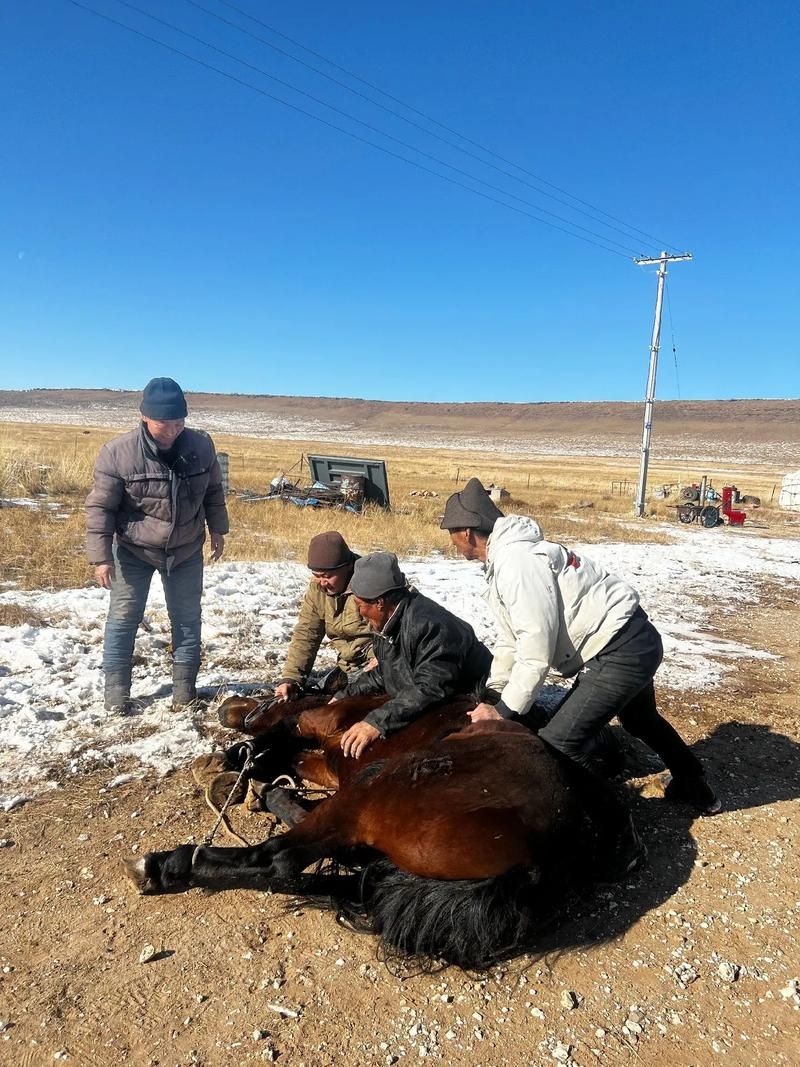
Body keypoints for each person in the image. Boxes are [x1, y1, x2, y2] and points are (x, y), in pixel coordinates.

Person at [441, 478, 721, 815]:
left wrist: (503, 712)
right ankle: (695, 784)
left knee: (560, 742)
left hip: (619, 649)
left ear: (467, 532)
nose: (452, 544)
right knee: (640, 721)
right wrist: (496, 692)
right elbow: (510, 638)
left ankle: (616, 826)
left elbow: (535, 647)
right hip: (632, 637)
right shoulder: (507, 559)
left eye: (451, 534)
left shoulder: (517, 563)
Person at [86, 377, 229, 713]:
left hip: (186, 549)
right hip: (134, 549)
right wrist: (101, 557)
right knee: (123, 619)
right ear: (145, 418)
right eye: (166, 423)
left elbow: (213, 491)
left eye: (180, 422)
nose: (174, 430)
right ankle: (116, 698)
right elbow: (100, 507)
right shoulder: (117, 453)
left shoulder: (201, 446)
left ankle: (185, 694)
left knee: (187, 619)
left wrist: (218, 529)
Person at [337, 551, 493, 759]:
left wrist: (376, 722)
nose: (359, 613)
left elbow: (430, 688)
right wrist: (344, 696)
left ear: (380, 602)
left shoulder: (431, 626)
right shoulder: (386, 623)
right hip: (434, 700)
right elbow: (385, 672)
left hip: (471, 702)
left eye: (360, 605)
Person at [273, 531, 374, 701]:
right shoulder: (317, 589)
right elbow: (307, 634)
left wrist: (383, 659)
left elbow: (397, 628)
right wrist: (291, 678)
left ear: (349, 566)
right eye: (317, 576)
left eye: (327, 576)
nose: (322, 582)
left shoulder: (373, 583)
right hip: (347, 668)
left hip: (377, 669)